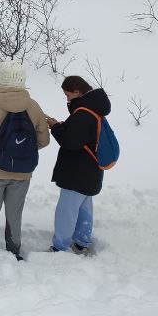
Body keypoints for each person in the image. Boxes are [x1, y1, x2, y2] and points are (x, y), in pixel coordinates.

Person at [0, 59, 52, 258]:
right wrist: (23, 152)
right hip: (23, 171)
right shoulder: (33, 106)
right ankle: (13, 248)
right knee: (15, 213)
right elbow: (44, 139)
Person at [46, 76, 111, 253]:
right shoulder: (94, 109)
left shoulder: (83, 114)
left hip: (76, 172)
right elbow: (80, 135)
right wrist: (60, 125)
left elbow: (70, 141)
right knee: (84, 207)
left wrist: (55, 128)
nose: (67, 99)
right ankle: (82, 241)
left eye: (68, 95)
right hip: (90, 170)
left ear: (77, 92)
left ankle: (60, 247)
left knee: (66, 211)